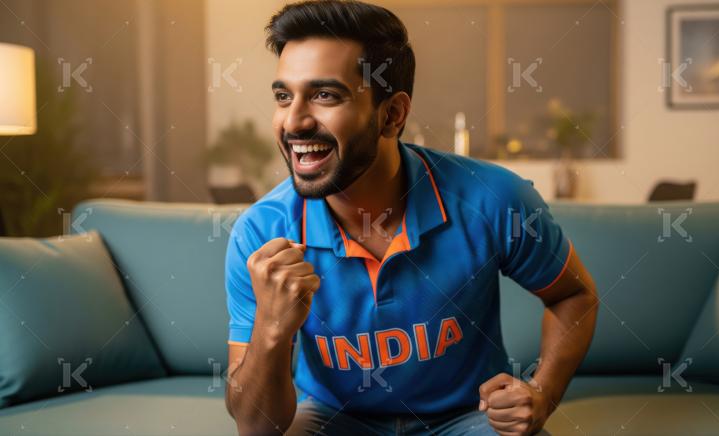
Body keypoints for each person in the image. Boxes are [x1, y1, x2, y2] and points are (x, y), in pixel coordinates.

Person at [224, 1, 598, 434]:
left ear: (392, 114)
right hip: (332, 418)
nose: (293, 121)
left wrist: (542, 393)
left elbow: (575, 296)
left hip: (467, 417)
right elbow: (257, 427)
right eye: (284, 96)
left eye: (325, 95)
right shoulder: (261, 232)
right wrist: (271, 327)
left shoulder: (494, 198)